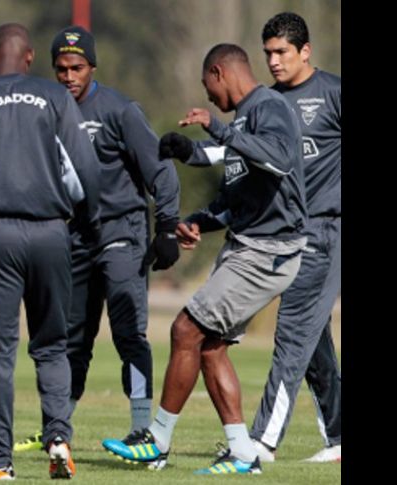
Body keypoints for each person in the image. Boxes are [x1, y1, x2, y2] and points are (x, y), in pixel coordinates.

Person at [103, 43, 307, 475]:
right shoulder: (245, 120)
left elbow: (283, 161)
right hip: (248, 246)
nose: (209, 96)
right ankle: (243, 453)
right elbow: (242, 195)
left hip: (267, 251)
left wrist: (216, 126)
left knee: (185, 328)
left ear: (219, 72)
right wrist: (198, 218)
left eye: (207, 86)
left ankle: (156, 441)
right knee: (211, 348)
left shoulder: (268, 106)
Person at [0, 23, 101, 480]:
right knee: (52, 347)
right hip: (52, 234)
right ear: (29, 59)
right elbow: (85, 172)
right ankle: (60, 439)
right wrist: (84, 228)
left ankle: (0, 465)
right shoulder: (55, 98)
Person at [15, 25, 181, 453]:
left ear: (92, 66)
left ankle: (143, 428)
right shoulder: (47, 112)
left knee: (129, 333)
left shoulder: (119, 110)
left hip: (121, 231)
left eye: (77, 67)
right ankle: (58, 429)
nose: (69, 76)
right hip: (74, 238)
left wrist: (166, 227)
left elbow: (160, 170)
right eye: (61, 69)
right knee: (70, 338)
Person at [248, 12, 341, 464]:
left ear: (305, 51)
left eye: (282, 52)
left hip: (326, 230)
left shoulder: (334, 94)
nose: (274, 61)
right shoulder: (265, 102)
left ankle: (261, 443)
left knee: (292, 334)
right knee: (313, 339)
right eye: (267, 53)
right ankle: (341, 438)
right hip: (284, 235)